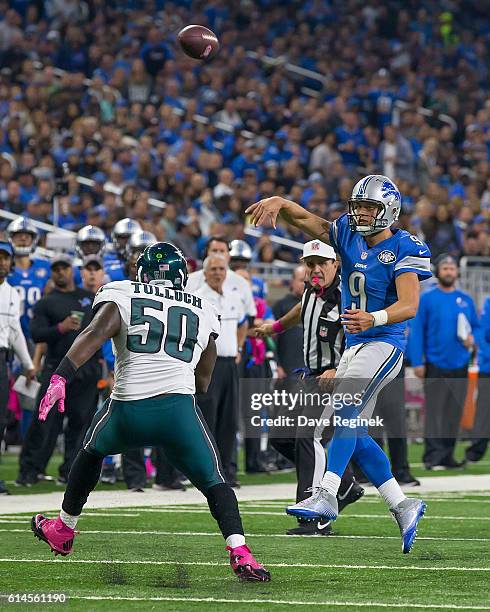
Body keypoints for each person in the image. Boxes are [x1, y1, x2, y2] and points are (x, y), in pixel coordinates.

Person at [30, 242, 270, 582]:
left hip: (127, 411)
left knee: (90, 450)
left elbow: (95, 332)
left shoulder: (123, 292)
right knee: (215, 481)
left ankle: (64, 529)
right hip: (179, 415)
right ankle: (240, 551)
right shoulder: (202, 307)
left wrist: (60, 377)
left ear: (142, 273)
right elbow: (204, 381)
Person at [247, 174, 431, 554]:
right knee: (348, 429)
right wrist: (281, 201)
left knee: (345, 410)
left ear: (389, 210)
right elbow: (307, 221)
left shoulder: (403, 246)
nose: (361, 213)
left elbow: (410, 305)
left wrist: (375, 318)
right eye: (358, 206)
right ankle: (402, 504)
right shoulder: (346, 232)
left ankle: (327, 494)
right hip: (355, 346)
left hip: (384, 343)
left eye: (370, 207)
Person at [256, 240, 364, 536]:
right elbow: (300, 310)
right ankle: (344, 485)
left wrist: (336, 367)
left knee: (308, 437)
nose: (315, 269)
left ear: (335, 265)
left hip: (336, 378)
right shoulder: (310, 290)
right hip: (311, 376)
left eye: (321, 264)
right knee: (280, 437)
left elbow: (360, 338)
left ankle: (315, 516)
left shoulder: (346, 296)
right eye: (310, 263)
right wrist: (273, 327)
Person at [17, 254, 101, 486]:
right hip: (57, 367)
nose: (60, 272)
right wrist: (60, 328)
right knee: (44, 421)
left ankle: (71, 471)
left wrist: (104, 363)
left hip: (87, 368)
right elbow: (36, 334)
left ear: (72, 271)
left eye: (64, 268)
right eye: (56, 269)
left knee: (81, 422)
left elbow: (102, 331)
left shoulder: (89, 298)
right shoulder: (46, 302)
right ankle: (30, 470)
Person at [410, 255, 478, 469]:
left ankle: (448, 456)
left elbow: (476, 327)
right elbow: (416, 332)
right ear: (438, 272)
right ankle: (432, 456)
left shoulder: (465, 299)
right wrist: (417, 361)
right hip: (435, 363)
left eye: (452, 268)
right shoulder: (427, 298)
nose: (449, 271)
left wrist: (473, 339)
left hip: (459, 363)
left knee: (454, 412)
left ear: (457, 272)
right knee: (435, 412)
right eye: (445, 268)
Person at [195, 254, 247, 486]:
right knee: (208, 419)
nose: (218, 273)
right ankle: (208, 472)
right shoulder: (197, 298)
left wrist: (239, 346)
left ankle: (229, 472)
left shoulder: (234, 296)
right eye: (213, 269)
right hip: (209, 366)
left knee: (230, 420)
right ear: (205, 273)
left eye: (221, 269)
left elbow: (244, 322)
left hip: (229, 364)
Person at [0, 241, 35, 495]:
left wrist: (28, 364)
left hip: (3, 359)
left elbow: (15, 332)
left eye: (5, 258)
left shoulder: (13, 293)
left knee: (0, 420)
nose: (2, 262)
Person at [7, 217, 51, 341]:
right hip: (8, 330)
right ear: (10, 238)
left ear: (34, 239)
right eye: (19, 235)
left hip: (38, 330)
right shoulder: (4, 267)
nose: (23, 238)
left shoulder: (45, 266)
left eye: (27, 236)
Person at [465, 294, 490, 463]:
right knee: (484, 411)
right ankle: (475, 451)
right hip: (488, 366)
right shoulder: (489, 302)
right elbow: (485, 333)